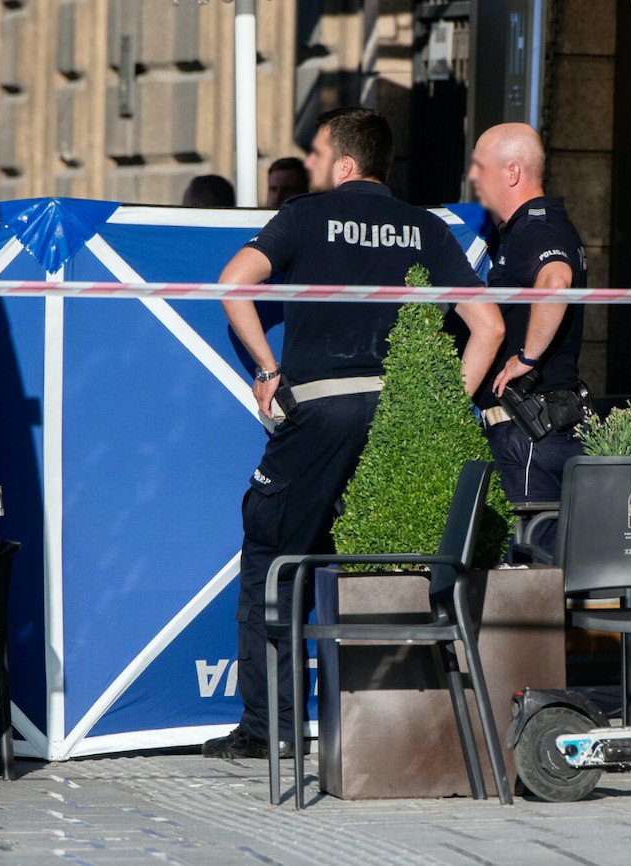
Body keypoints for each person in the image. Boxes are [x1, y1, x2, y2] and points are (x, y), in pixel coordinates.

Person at [203, 107, 505, 760]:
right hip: (396, 421)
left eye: (314, 155)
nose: (307, 166)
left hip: (321, 415)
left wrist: (268, 366)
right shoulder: (425, 227)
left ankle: (269, 733)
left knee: (273, 560)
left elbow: (232, 284)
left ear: (343, 164)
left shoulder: (305, 215)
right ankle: (386, 734)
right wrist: (438, 411)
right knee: (379, 564)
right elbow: (490, 327)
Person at [466, 122, 588, 557]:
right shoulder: (523, 229)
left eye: (480, 167)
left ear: (512, 171)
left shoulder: (536, 226)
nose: (473, 177)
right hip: (538, 428)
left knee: (536, 574)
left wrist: (527, 357)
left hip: (529, 430)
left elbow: (556, 280)